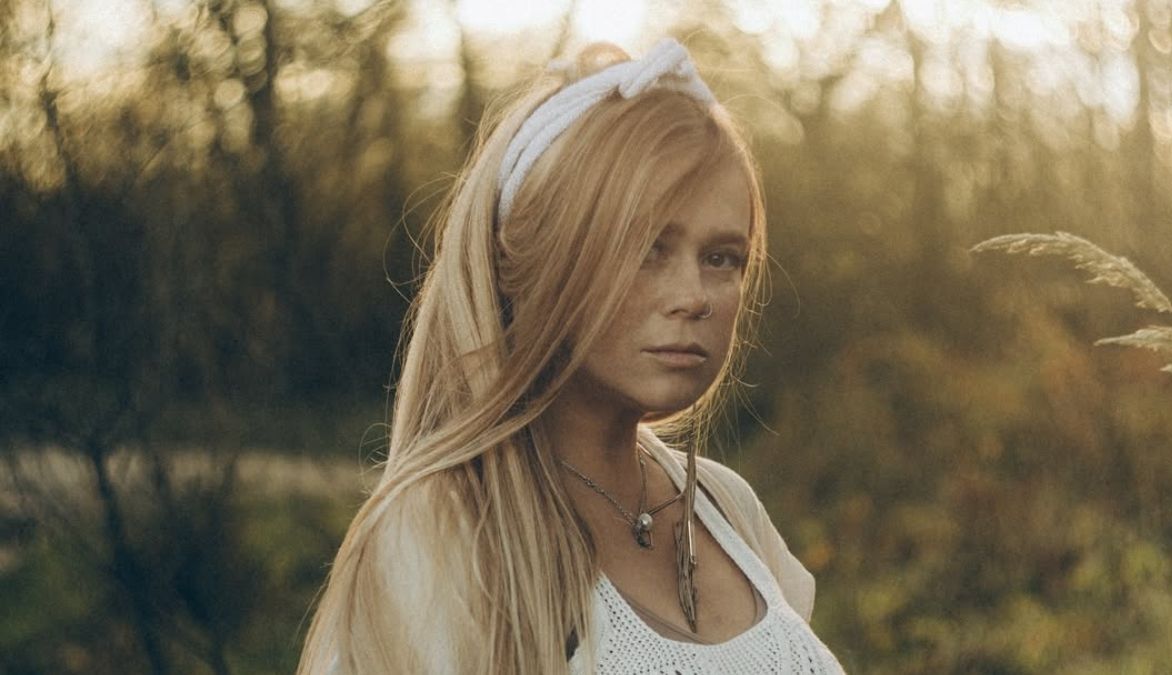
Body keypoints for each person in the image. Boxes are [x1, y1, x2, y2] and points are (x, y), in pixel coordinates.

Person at [297, 38, 844, 674]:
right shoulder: (445, 535)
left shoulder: (727, 508)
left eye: (722, 258)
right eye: (646, 248)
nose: (695, 296)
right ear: (532, 265)